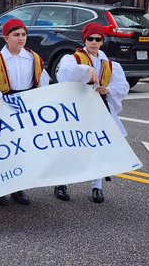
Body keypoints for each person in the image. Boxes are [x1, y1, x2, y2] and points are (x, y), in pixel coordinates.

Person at [53, 22, 129, 203]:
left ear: (102, 41)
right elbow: (64, 74)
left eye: (98, 39)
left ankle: (97, 186)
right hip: (76, 109)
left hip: (98, 108)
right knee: (70, 145)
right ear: (84, 39)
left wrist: (108, 89)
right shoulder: (73, 59)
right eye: (90, 39)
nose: (94, 42)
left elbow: (122, 86)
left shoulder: (109, 64)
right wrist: (86, 69)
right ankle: (61, 183)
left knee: (98, 147)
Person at [0, 18, 50, 206]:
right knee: (2, 148)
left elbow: (43, 82)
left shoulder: (33, 58)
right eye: (16, 35)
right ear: (5, 37)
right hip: (2, 106)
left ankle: (18, 187)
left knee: (21, 148)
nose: (21, 38)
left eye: (24, 35)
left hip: (23, 106)